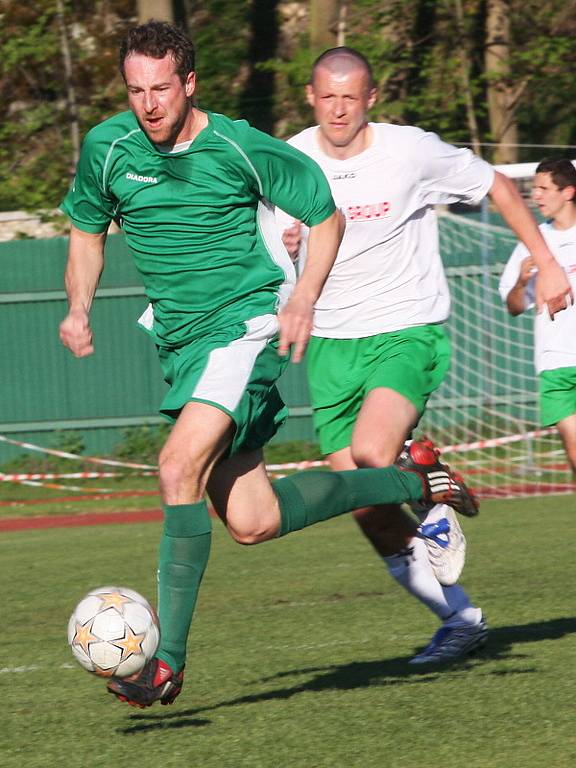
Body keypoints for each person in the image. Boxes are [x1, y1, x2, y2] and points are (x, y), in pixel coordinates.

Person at [59, 21, 478, 708]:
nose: (149, 104)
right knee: (252, 521)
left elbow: (324, 215)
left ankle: (165, 664)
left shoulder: (238, 146)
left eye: (161, 88)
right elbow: (85, 229)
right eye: (136, 90)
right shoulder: (108, 147)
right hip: (183, 347)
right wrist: (79, 307)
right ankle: (412, 477)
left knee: (175, 466)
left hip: (244, 330)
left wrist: (303, 298)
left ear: (189, 82)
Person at [276, 47, 572, 664]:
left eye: (350, 97)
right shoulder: (290, 159)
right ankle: (460, 617)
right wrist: (284, 244)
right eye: (327, 96)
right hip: (331, 343)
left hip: (404, 329)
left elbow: (494, 182)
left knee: (370, 453)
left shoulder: (409, 150)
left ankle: (431, 483)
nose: (338, 109)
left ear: (371, 99)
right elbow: (271, 236)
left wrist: (544, 262)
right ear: (310, 97)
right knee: (364, 501)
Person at [499, 158, 576, 474]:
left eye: (544, 188)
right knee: (574, 450)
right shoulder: (532, 242)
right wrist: (521, 282)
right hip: (555, 363)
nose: (536, 196)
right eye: (534, 189)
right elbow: (513, 306)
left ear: (568, 191)